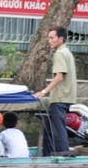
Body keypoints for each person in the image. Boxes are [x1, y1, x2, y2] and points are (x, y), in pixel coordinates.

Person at [33, 26, 77, 156]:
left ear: (61, 39)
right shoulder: (67, 52)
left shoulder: (60, 53)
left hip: (60, 98)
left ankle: (63, 155)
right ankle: (48, 154)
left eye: (52, 38)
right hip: (66, 97)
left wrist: (44, 91)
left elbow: (59, 76)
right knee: (49, 129)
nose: (49, 41)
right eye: (49, 38)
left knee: (58, 130)